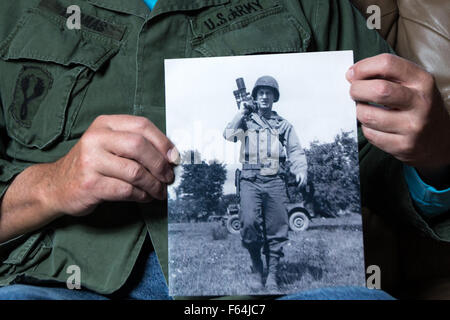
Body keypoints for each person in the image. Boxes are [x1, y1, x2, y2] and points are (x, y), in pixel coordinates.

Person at [0, 0, 448, 300]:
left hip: (269, 295)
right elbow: (230, 134)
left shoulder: (310, 8)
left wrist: (436, 152)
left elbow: (375, 163)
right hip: (56, 284)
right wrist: (51, 184)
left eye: (272, 97)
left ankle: (268, 272)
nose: (268, 101)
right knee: (250, 231)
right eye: (264, 97)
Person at [223, 75, 307, 291]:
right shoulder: (246, 120)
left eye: (268, 93)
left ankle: (272, 277)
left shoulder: (283, 124)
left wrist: (300, 169)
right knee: (249, 223)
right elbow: (228, 135)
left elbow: (295, 150)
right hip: (250, 178)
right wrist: (241, 112)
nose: (264, 96)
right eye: (260, 92)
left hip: (276, 179)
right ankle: (257, 265)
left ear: (274, 97)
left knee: (277, 228)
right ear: (255, 96)